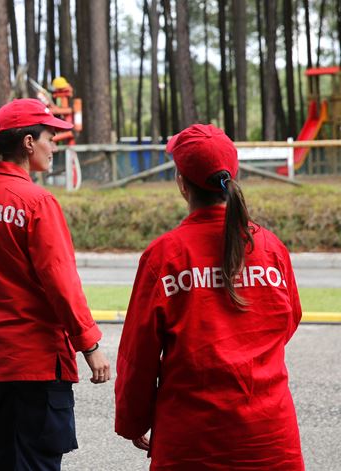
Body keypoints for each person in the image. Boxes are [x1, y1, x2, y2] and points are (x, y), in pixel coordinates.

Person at [0, 98, 111, 471]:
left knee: (3, 459)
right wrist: (89, 344)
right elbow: (61, 281)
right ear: (28, 143)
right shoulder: (36, 202)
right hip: (36, 363)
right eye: (50, 136)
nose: (54, 144)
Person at [114, 124, 304, 470]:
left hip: (192, 443)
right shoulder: (271, 248)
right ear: (235, 175)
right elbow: (287, 321)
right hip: (271, 440)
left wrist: (132, 420)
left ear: (181, 183)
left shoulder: (164, 256)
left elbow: (137, 356)